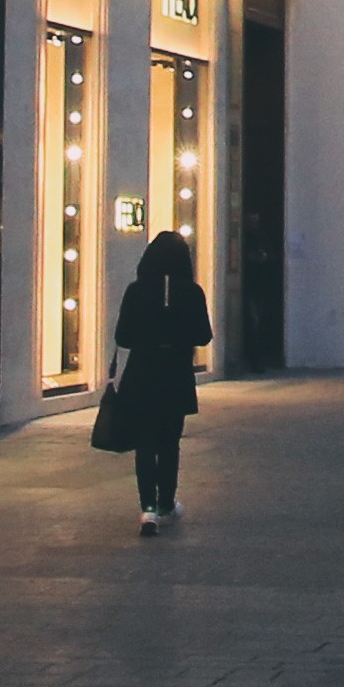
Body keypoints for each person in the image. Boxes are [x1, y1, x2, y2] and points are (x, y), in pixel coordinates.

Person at [105, 228, 209, 533]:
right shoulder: (192, 292)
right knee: (170, 441)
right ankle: (166, 501)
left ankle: (147, 507)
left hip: (142, 371)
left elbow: (122, 337)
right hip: (175, 372)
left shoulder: (136, 290)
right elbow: (204, 335)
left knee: (145, 442)